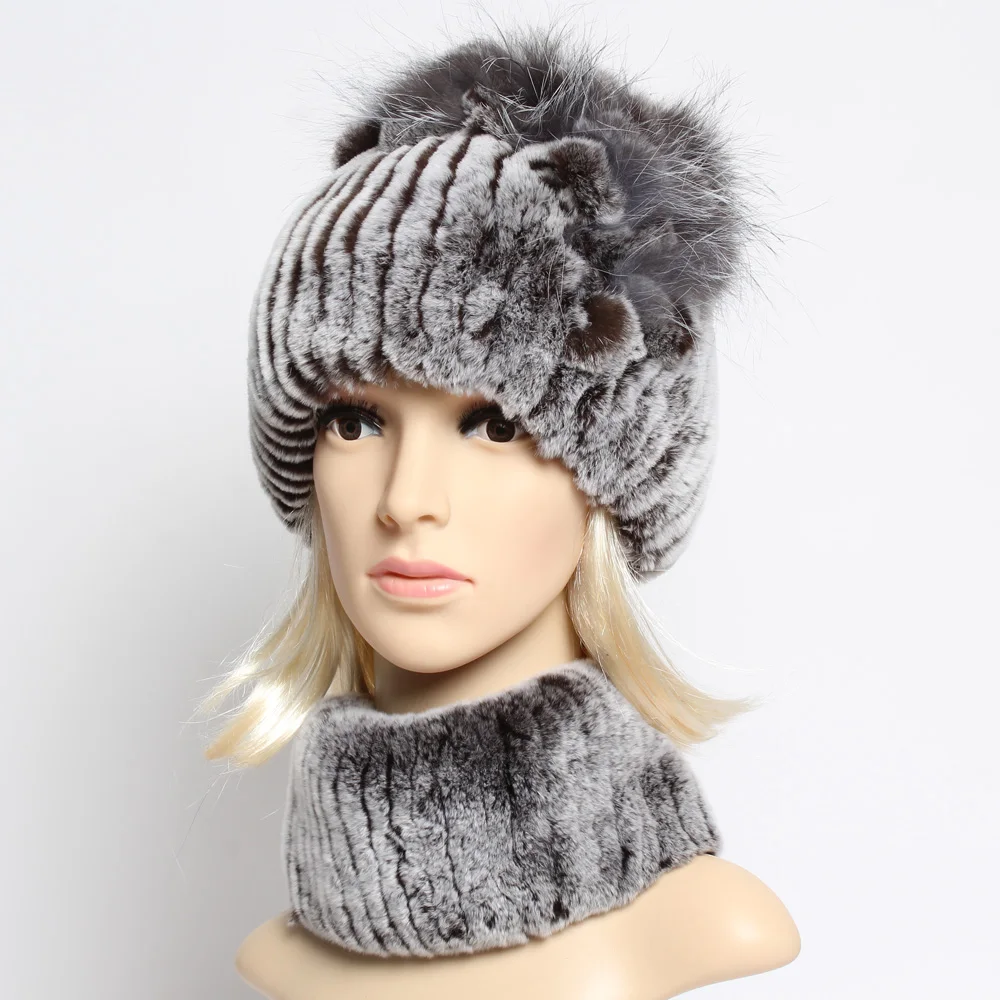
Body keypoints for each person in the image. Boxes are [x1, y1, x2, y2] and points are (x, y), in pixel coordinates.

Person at [197, 20, 800, 998]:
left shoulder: (702, 924)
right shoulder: (280, 954)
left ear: (617, 473)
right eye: (355, 421)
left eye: (491, 423)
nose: (406, 501)